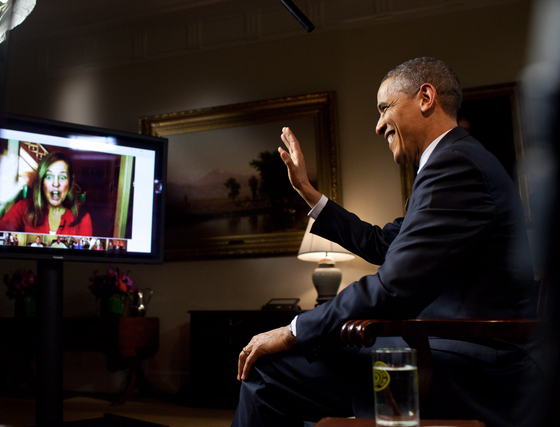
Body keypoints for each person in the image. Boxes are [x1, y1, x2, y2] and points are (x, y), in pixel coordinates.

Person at [232, 57, 541, 427]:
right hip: (441, 348)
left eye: (384, 108)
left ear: (426, 97)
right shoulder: (455, 161)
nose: (378, 126)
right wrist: (309, 194)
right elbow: (382, 243)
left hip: (467, 366)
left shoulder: (456, 166)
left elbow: (393, 287)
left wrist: (293, 330)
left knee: (267, 372)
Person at [0, 151, 93, 236]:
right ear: (42, 182)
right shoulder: (23, 208)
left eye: (62, 177)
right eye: (49, 176)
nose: (56, 183)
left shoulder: (82, 218)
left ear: (69, 183)